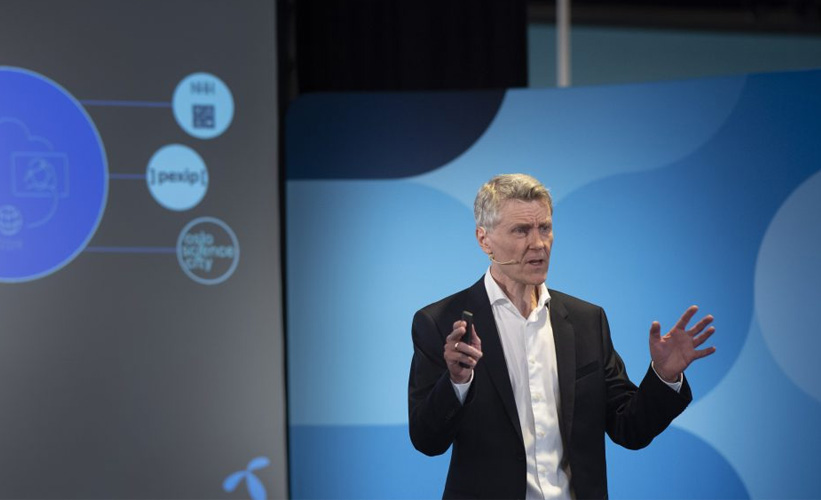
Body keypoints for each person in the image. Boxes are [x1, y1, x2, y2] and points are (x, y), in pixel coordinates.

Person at [408, 173, 716, 500]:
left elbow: (630, 429)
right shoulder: (441, 322)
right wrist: (457, 381)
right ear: (484, 240)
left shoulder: (586, 321)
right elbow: (427, 440)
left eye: (545, 228)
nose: (538, 243)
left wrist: (664, 376)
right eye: (521, 230)